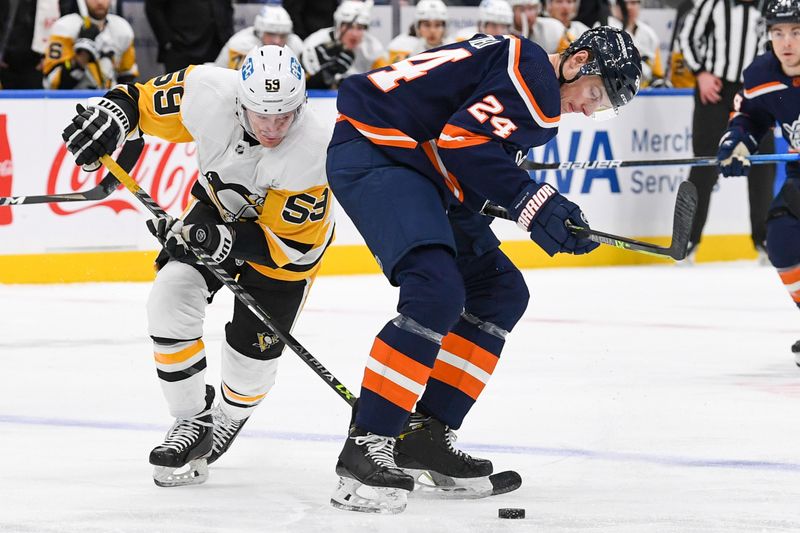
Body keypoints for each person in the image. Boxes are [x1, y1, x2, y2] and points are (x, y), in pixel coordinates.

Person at [326, 27, 641, 513]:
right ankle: (366, 446)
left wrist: (535, 208)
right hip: (376, 151)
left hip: (418, 164)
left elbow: (466, 159)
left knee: (500, 291)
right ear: (577, 61)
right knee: (435, 291)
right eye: (595, 94)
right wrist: (534, 202)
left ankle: (424, 437)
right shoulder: (533, 77)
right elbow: (461, 142)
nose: (589, 108)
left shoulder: (521, 62)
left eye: (602, 106)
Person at [60, 45, 334, 487]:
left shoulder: (317, 149)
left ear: (301, 104)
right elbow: (135, 101)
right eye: (261, 114)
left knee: (250, 368)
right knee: (170, 296)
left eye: (284, 116)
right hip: (217, 210)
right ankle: (191, 420)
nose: (272, 127)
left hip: (279, 252)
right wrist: (110, 121)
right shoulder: (206, 89)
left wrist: (222, 242)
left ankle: (231, 413)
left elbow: (292, 246)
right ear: (240, 100)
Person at [715, 0, 800, 361]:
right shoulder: (761, 75)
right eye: (778, 32)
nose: (787, 42)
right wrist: (736, 145)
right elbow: (749, 118)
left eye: (796, 32)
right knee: (780, 236)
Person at [679, 0, 775, 262]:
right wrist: (700, 73)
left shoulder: (769, 6)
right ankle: (688, 240)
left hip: (756, 93)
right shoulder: (712, 4)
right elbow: (686, 37)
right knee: (704, 164)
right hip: (715, 92)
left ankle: (764, 240)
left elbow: (779, 47)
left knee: (763, 166)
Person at [43, 0, 137, 89]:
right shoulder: (64, 27)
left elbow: (127, 76)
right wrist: (82, 54)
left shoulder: (122, 29)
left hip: (109, 98)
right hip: (73, 99)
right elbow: (52, 83)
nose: (100, 2)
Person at [300, 0, 385, 89]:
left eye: (360, 28)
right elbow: (300, 83)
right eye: (349, 26)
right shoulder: (316, 41)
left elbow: (384, 83)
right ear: (338, 25)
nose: (354, 34)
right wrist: (323, 74)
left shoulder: (373, 48)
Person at [145, 0, 233, 73]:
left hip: (218, 43)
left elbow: (226, 6)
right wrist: (167, 41)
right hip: (182, 47)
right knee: (181, 90)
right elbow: (153, 8)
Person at [215, 4, 303, 70]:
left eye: (283, 35)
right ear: (260, 32)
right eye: (271, 34)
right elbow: (230, 79)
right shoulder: (240, 44)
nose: (277, 41)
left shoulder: (295, 44)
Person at [608, 0, 663, 86]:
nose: (628, 7)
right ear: (613, 6)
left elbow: (657, 73)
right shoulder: (604, 29)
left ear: (639, 5)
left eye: (633, 3)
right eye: (624, 3)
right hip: (613, 91)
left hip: (644, 93)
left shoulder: (649, 34)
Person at [384, 0, 450, 65]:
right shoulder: (401, 46)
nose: (432, 30)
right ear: (418, 26)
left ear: (445, 27)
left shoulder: (453, 49)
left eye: (437, 25)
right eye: (427, 25)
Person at [508, 0, 572, 53]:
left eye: (531, 8)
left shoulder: (553, 28)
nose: (528, 15)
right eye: (522, 10)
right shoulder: (503, 32)